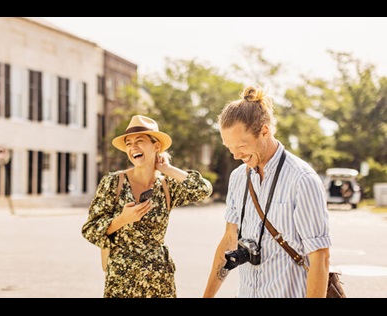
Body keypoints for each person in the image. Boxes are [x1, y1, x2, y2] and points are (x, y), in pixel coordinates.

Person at [203, 85, 331, 298]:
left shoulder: (302, 179)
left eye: (241, 146)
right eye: (229, 148)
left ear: (264, 131)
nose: (236, 155)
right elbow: (229, 239)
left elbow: (321, 258)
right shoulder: (238, 178)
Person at [82, 115, 213, 298]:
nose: (133, 147)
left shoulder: (168, 186)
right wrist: (122, 219)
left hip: (159, 282)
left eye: (140, 141)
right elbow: (90, 229)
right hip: (121, 283)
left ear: (156, 146)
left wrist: (167, 169)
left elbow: (203, 189)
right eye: (128, 143)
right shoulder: (113, 183)